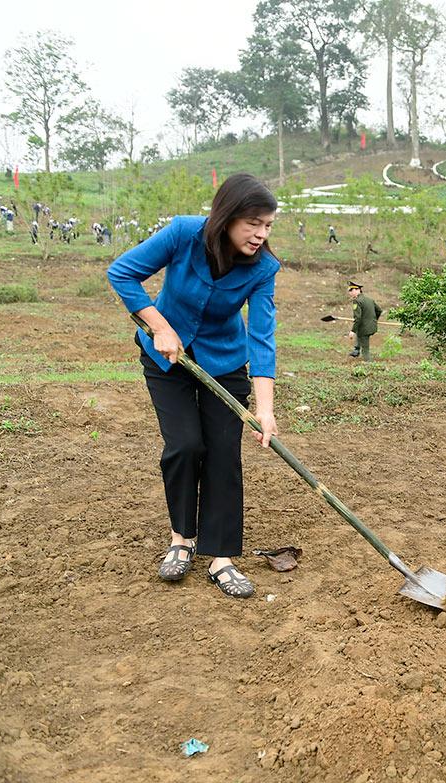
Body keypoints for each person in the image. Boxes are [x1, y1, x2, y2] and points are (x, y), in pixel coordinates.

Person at [106, 173, 280, 599]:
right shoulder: (184, 234)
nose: (261, 234)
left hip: (224, 364)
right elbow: (122, 273)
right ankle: (181, 538)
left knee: (223, 454)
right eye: (253, 223)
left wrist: (265, 409)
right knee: (185, 445)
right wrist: (160, 327)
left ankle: (220, 557)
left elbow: (261, 338)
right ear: (227, 216)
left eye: (268, 225)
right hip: (168, 360)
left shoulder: (263, 269)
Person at [347, 280, 381, 361]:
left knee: (365, 350)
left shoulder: (357, 301)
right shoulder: (369, 300)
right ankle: (356, 350)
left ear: (357, 290)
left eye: (351, 290)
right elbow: (379, 310)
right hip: (372, 326)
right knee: (360, 333)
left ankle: (369, 364)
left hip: (365, 329)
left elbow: (357, 318)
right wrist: (373, 320)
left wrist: (352, 331)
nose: (350, 292)